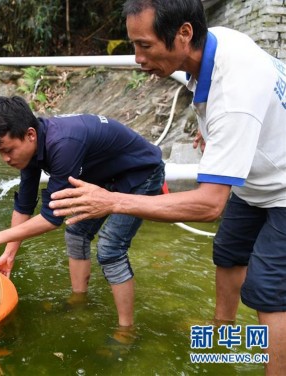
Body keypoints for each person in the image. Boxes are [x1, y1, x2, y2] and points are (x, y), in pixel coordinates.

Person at [48, 0, 286, 374]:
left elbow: (209, 206)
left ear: (184, 33)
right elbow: (240, 108)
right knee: (227, 251)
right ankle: (223, 339)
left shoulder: (235, 91)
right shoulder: (217, 44)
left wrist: (112, 201)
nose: (137, 58)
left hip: (283, 190)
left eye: (144, 45)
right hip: (258, 177)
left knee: (268, 293)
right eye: (134, 46)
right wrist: (219, 137)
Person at [0, 95, 165, 345]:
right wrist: (9, 253)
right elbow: (24, 205)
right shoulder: (31, 150)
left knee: (110, 248)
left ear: (29, 135)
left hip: (141, 174)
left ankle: (126, 331)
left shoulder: (63, 144)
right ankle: (79, 300)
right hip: (105, 176)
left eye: (7, 150)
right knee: (77, 232)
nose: (5, 159)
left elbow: (52, 218)